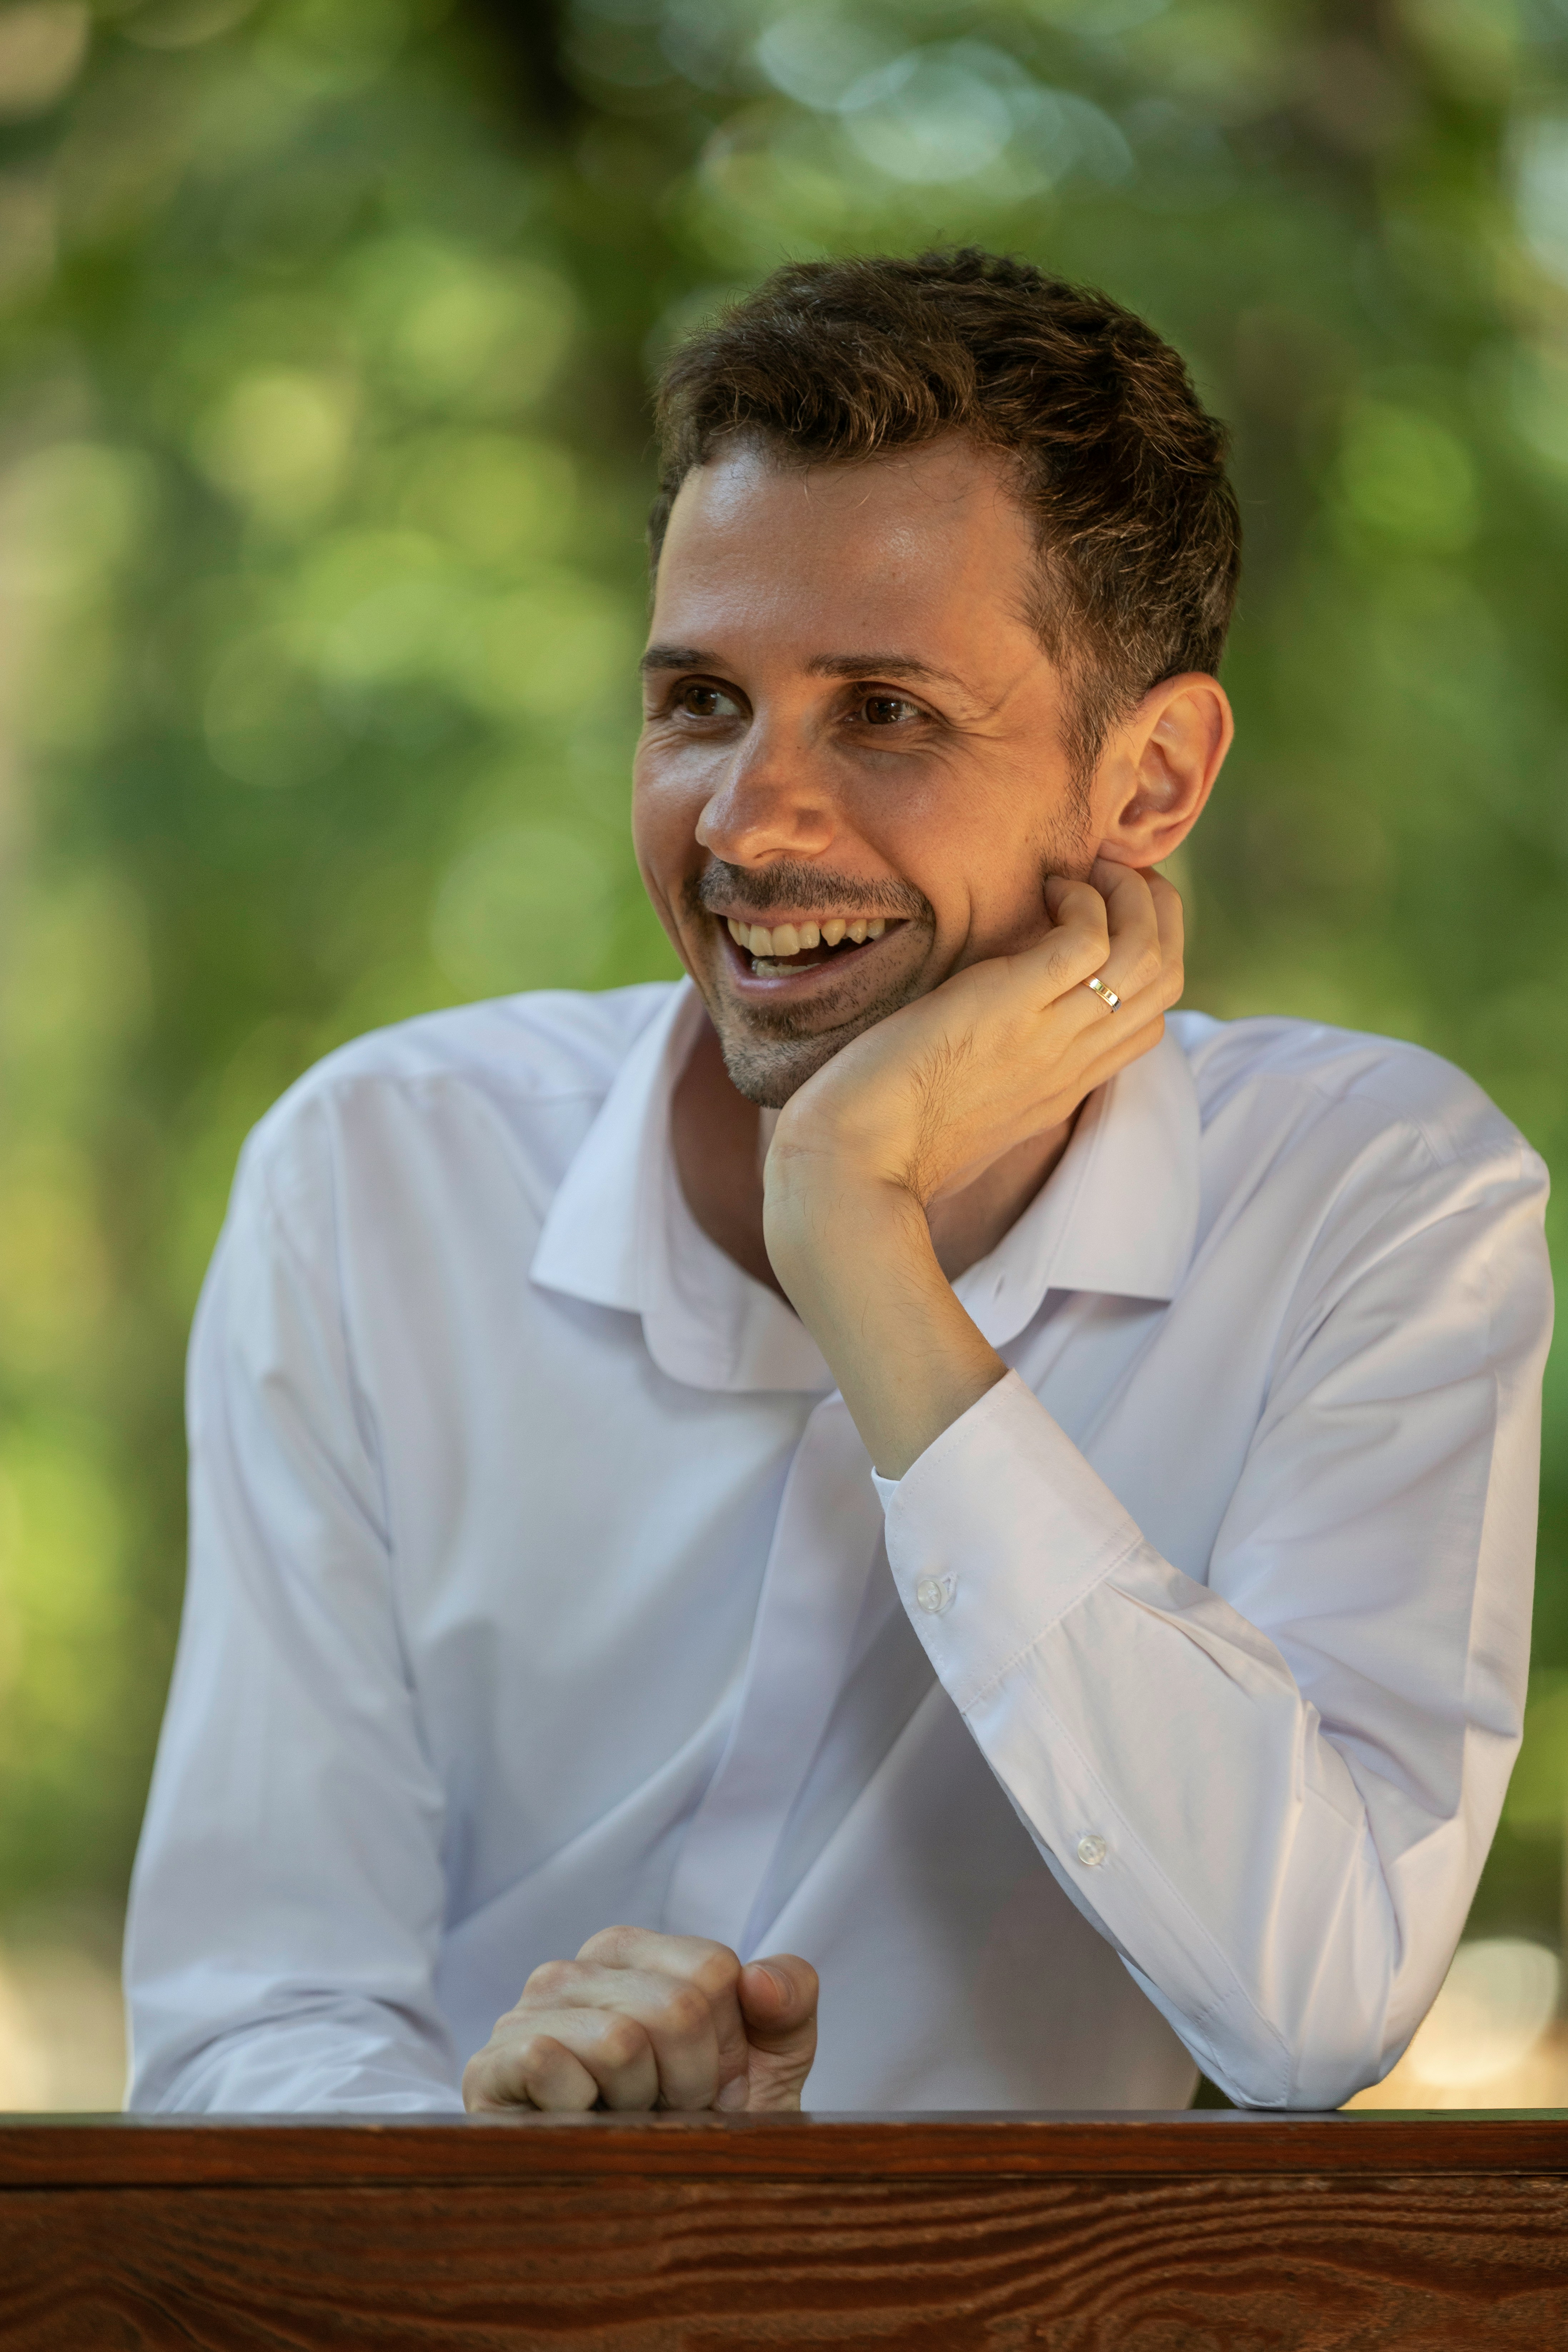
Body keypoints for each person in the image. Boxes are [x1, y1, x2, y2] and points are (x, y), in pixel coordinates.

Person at [125, 250, 1552, 2118]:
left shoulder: (1377, 1199)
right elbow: (251, 2011)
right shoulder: (377, 1172)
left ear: (1149, 781)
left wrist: (858, 1236)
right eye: (701, 700)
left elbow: (1309, 1999)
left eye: (882, 711)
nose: (746, 823)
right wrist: (511, 2183)